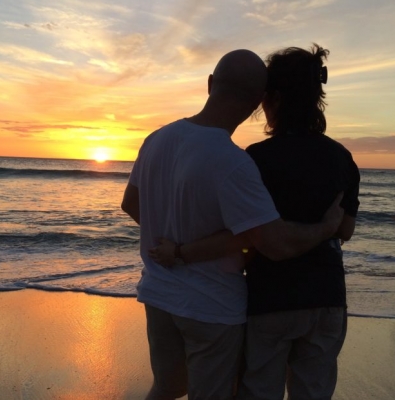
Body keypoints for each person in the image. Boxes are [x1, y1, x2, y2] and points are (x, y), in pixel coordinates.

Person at [121, 48, 344, 400]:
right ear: (259, 102)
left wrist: (176, 241)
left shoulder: (157, 138)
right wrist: (325, 228)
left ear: (210, 83)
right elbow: (273, 243)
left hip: (158, 294)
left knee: (167, 387)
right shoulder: (234, 163)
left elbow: (131, 203)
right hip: (210, 307)